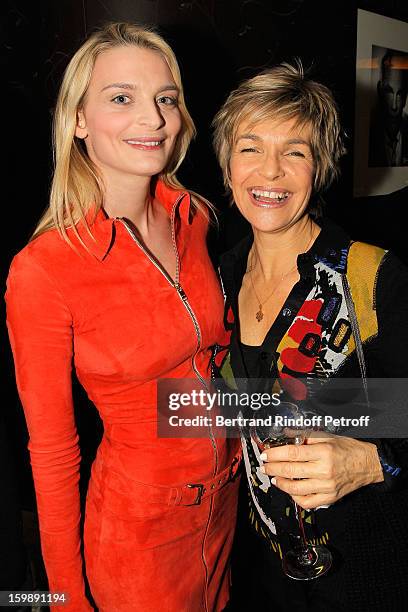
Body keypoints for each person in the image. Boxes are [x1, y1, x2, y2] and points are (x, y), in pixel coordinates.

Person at [5, 22, 241, 612]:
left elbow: (205, 379)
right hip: (139, 539)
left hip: (226, 507)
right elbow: (53, 452)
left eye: (166, 98)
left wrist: (368, 415)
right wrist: (62, 598)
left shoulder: (194, 217)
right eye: (121, 98)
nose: (154, 119)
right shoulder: (44, 268)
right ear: (78, 120)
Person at [212, 62, 408, 611]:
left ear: (318, 167)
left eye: (294, 151)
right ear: (227, 164)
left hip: (365, 577)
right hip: (255, 573)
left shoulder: (372, 278)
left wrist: (374, 462)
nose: (269, 172)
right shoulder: (216, 280)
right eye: (250, 147)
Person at [369, 48, 408, 167]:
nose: (395, 106)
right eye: (389, 92)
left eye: (400, 94)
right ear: (380, 91)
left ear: (405, 98)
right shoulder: (369, 137)